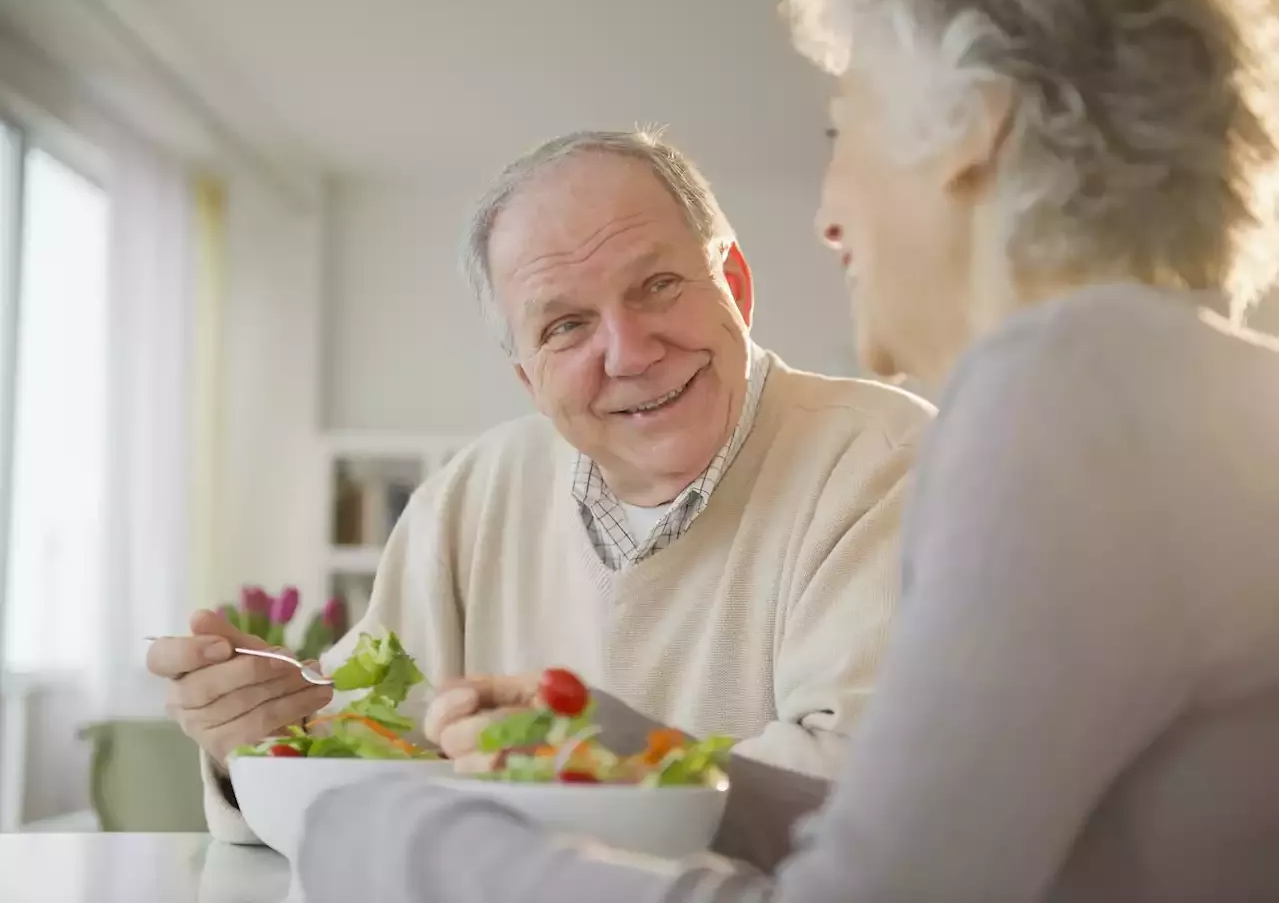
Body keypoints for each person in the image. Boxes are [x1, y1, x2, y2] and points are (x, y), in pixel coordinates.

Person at [294, 0, 1280, 900]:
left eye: (839, 128)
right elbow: (922, 843)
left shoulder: (1063, 396)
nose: (826, 213)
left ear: (973, 131)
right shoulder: (1171, 385)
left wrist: (396, 839)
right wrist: (633, 749)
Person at [146, 129, 934, 843]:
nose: (628, 352)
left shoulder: (888, 461)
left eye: (657, 284)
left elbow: (873, 795)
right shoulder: (469, 496)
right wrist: (260, 735)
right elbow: (366, 754)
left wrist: (575, 769)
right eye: (566, 326)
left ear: (734, 282)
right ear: (528, 377)